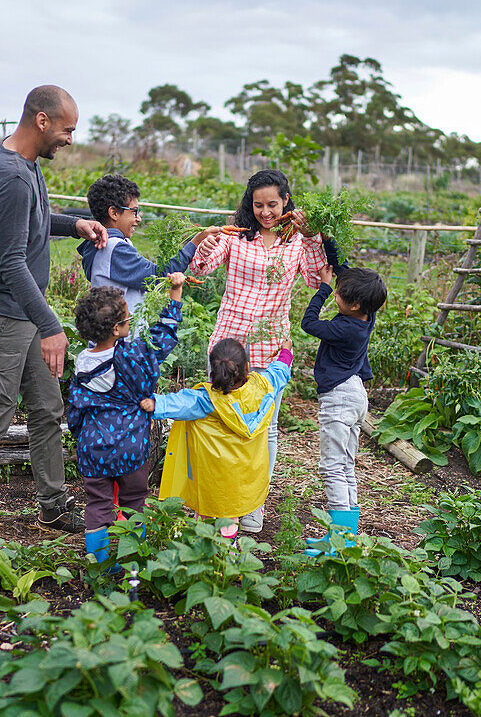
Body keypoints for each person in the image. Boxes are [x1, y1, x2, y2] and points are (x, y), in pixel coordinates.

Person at [0, 85, 108, 553]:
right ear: (43, 121)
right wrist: (51, 325)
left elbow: (35, 218)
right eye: (68, 129)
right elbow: (10, 261)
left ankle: (52, 505)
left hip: (22, 312)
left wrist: (74, 223)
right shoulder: (11, 175)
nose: (71, 138)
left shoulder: (24, 162)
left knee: (48, 409)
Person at [189, 169, 327, 532]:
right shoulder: (237, 234)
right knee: (217, 420)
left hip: (271, 345)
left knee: (265, 428)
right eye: (258, 205)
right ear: (250, 205)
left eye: (272, 204)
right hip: (229, 342)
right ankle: (215, 504)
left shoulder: (297, 239)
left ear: (285, 200)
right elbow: (201, 267)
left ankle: (252, 506)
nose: (265, 212)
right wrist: (203, 244)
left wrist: (313, 237)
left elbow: (316, 280)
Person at [67, 274, 187, 567]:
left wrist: (82, 436)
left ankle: (99, 566)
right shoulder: (132, 357)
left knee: (98, 504)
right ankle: (133, 560)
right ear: (117, 329)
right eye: (126, 317)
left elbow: (74, 411)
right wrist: (175, 294)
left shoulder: (82, 363)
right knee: (135, 500)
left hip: (93, 448)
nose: (130, 319)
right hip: (130, 445)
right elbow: (162, 341)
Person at [140, 338, 292, 538]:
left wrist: (151, 403)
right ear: (247, 366)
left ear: (213, 370)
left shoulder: (205, 400)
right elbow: (279, 372)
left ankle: (205, 559)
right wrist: (286, 352)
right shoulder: (264, 387)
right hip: (242, 482)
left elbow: (175, 403)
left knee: (206, 519)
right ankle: (226, 557)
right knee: (229, 521)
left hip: (210, 482)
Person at [299, 265, 387, 555]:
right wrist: (328, 243)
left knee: (333, 467)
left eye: (338, 294)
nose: (335, 292)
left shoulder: (344, 328)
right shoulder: (366, 317)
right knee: (346, 466)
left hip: (339, 398)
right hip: (356, 395)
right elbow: (346, 272)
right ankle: (345, 538)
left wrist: (322, 290)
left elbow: (309, 323)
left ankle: (338, 543)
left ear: (356, 304)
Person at [78, 174, 220, 319]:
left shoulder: (105, 243)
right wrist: (196, 242)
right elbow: (157, 276)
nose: (138, 218)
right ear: (114, 212)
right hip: (119, 339)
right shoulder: (113, 247)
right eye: (134, 212)